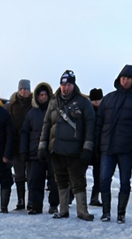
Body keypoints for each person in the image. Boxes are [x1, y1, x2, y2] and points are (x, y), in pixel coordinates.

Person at [38, 70, 96, 221]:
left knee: (78, 181)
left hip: (75, 151)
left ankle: (82, 211)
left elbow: (90, 127)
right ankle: (63, 209)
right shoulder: (53, 101)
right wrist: (42, 146)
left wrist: (87, 148)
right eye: (62, 84)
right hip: (56, 149)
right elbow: (46, 124)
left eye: (68, 84)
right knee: (60, 180)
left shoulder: (84, 103)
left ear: (73, 84)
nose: (64, 88)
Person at [97, 65, 132, 224]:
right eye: (123, 77)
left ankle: (121, 213)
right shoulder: (108, 98)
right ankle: (106, 212)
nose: (125, 80)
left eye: (128, 78)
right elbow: (99, 123)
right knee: (104, 180)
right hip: (107, 148)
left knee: (124, 182)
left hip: (127, 150)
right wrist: (97, 145)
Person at [20, 82, 57, 215]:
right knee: (35, 181)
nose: (43, 97)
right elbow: (24, 133)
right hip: (34, 152)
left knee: (54, 181)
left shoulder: (55, 111)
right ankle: (36, 206)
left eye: (45, 95)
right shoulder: (31, 113)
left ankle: (53, 205)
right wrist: (23, 151)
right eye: (40, 95)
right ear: (36, 96)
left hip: (52, 152)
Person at [6, 80, 33, 211]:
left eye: (26, 89)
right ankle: (21, 200)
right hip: (16, 145)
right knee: (19, 175)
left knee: (32, 175)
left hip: (30, 144)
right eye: (22, 89)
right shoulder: (12, 105)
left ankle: (31, 201)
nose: (24, 92)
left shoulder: (34, 104)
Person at [88, 88, 104, 207]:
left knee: (98, 177)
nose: (96, 103)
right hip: (88, 147)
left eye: (98, 100)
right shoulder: (88, 111)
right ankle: (70, 196)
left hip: (100, 148)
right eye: (94, 100)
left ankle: (94, 198)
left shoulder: (104, 112)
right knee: (78, 176)